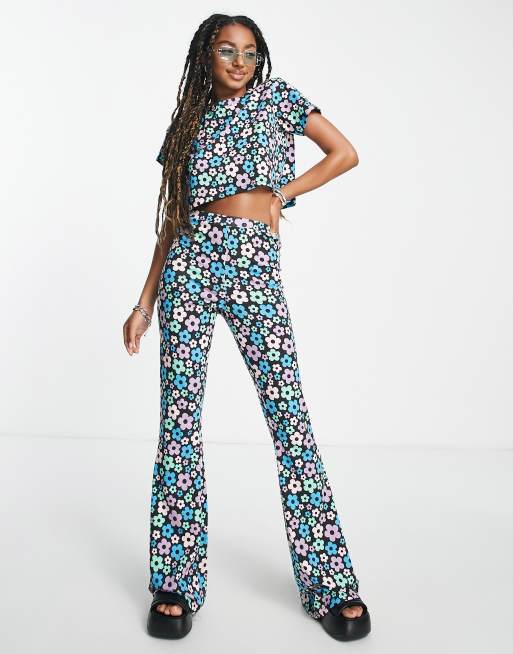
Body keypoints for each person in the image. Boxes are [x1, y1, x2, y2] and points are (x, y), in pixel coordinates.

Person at [123, 13, 371, 642]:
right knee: (179, 419)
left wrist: (282, 194)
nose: (239, 62)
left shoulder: (279, 98)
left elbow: (344, 153)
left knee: (289, 417)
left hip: (253, 262)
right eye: (227, 50)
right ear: (205, 55)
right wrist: (145, 301)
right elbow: (172, 219)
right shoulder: (187, 124)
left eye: (250, 52)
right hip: (189, 262)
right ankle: (175, 581)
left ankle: (330, 582)